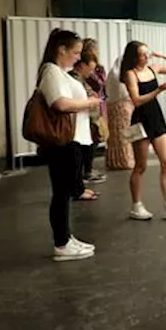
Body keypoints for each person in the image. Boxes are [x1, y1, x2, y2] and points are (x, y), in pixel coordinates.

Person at [35, 29, 99, 262]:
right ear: (60, 49)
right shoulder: (51, 72)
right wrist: (89, 102)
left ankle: (66, 237)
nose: (77, 57)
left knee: (66, 192)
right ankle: (61, 243)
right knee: (61, 193)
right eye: (75, 52)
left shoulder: (61, 72)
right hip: (63, 141)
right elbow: (60, 104)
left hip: (73, 140)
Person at [120, 41, 166, 220]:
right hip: (140, 120)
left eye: (147, 54)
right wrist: (159, 89)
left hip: (156, 118)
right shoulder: (130, 74)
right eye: (142, 55)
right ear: (134, 57)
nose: (145, 58)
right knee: (140, 166)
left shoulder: (154, 68)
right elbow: (136, 100)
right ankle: (136, 205)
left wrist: (164, 56)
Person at [70, 52, 104, 198]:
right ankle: (77, 190)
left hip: (84, 122)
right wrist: (91, 101)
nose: (91, 73)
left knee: (82, 156)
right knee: (77, 159)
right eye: (89, 69)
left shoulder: (82, 79)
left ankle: (79, 188)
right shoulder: (73, 79)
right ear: (82, 65)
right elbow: (79, 98)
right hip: (76, 124)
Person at [104, 55, 135, 171]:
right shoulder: (120, 76)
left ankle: (114, 160)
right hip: (123, 107)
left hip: (112, 107)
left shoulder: (111, 75)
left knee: (114, 136)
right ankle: (125, 159)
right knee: (125, 135)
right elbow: (125, 93)